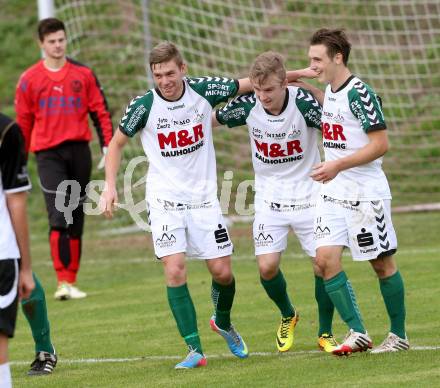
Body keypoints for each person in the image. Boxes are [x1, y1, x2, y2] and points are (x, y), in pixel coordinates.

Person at [101, 40, 257, 369]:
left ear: (182, 69)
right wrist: (109, 187)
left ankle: (223, 321)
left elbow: (252, 81)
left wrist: (297, 75)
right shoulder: (142, 106)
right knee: (174, 270)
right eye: (158, 75)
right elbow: (115, 145)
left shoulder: (203, 90)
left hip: (203, 201)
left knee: (223, 273)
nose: (165, 80)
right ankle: (194, 349)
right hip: (164, 201)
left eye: (170, 73)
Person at [213, 52, 338, 353]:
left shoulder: (304, 104)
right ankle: (288, 314)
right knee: (267, 268)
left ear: (284, 84)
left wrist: (318, 93)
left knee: (323, 265)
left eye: (269, 90)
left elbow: (337, 128)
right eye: (257, 90)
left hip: (311, 197)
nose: (263, 96)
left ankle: (325, 332)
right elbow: (208, 119)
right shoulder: (248, 105)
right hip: (270, 201)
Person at [308, 28, 408, 355]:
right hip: (333, 193)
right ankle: (358, 332)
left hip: (365, 194)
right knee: (324, 261)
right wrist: (299, 78)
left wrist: (338, 164)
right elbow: (332, 105)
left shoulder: (360, 93)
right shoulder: (331, 89)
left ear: (338, 58)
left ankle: (398, 336)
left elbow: (381, 144)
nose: (313, 65)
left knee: (381, 264)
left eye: (317, 59)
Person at [15, 18, 113, 300]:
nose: (57, 46)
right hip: (48, 154)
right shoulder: (29, 80)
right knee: (59, 214)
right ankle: (61, 281)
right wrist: (18, 160)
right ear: (41, 44)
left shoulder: (82, 74)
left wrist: (107, 146)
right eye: (52, 42)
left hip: (79, 151)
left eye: (61, 40)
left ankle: (71, 280)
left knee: (76, 215)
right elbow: (23, 123)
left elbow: (100, 112)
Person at [0, 113, 57, 378]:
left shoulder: (5, 131)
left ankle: (45, 350)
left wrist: (25, 263)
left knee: (26, 279)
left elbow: (16, 197)